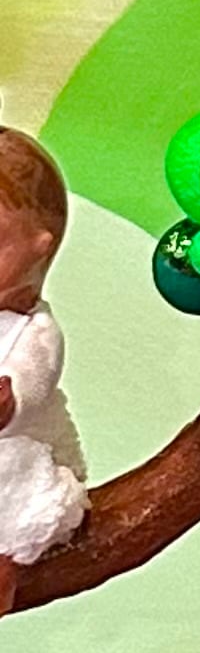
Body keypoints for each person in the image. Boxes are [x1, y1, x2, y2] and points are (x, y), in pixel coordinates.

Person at [0, 128, 88, 573]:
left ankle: (8, 562)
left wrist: (10, 401)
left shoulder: (34, 331)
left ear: (40, 248)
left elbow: (31, 380)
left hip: (21, 450)